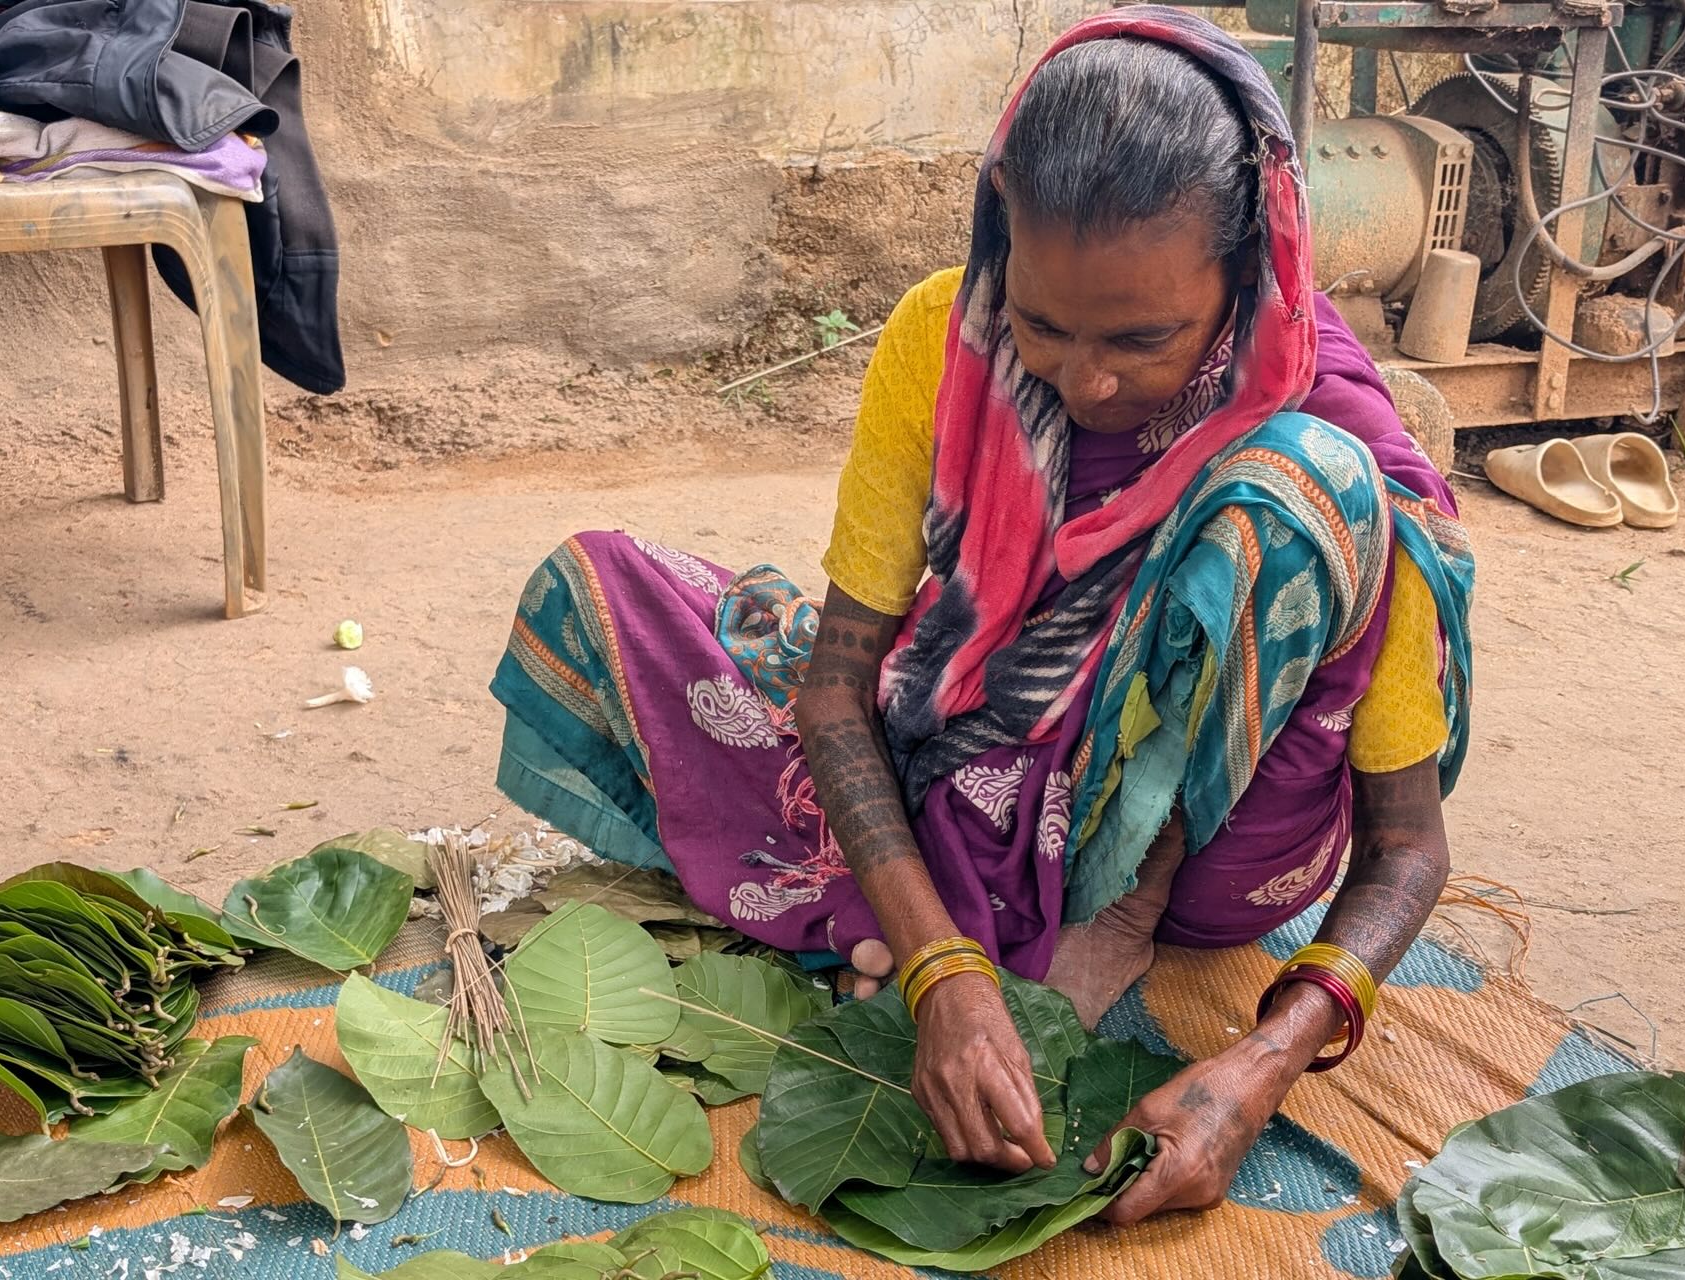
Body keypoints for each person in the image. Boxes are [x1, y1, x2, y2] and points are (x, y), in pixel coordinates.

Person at [490, 5, 1473, 1225]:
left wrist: (1259, 1069)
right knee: (606, 590)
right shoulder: (939, 337)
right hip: (971, 756)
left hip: (1212, 850)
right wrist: (942, 970)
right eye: (1044, 325)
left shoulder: (1333, 431)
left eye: (1143, 338)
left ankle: (1109, 912)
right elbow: (842, 683)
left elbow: (1410, 847)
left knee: (1306, 488)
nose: (1087, 381)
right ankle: (969, 913)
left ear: (1248, 269)